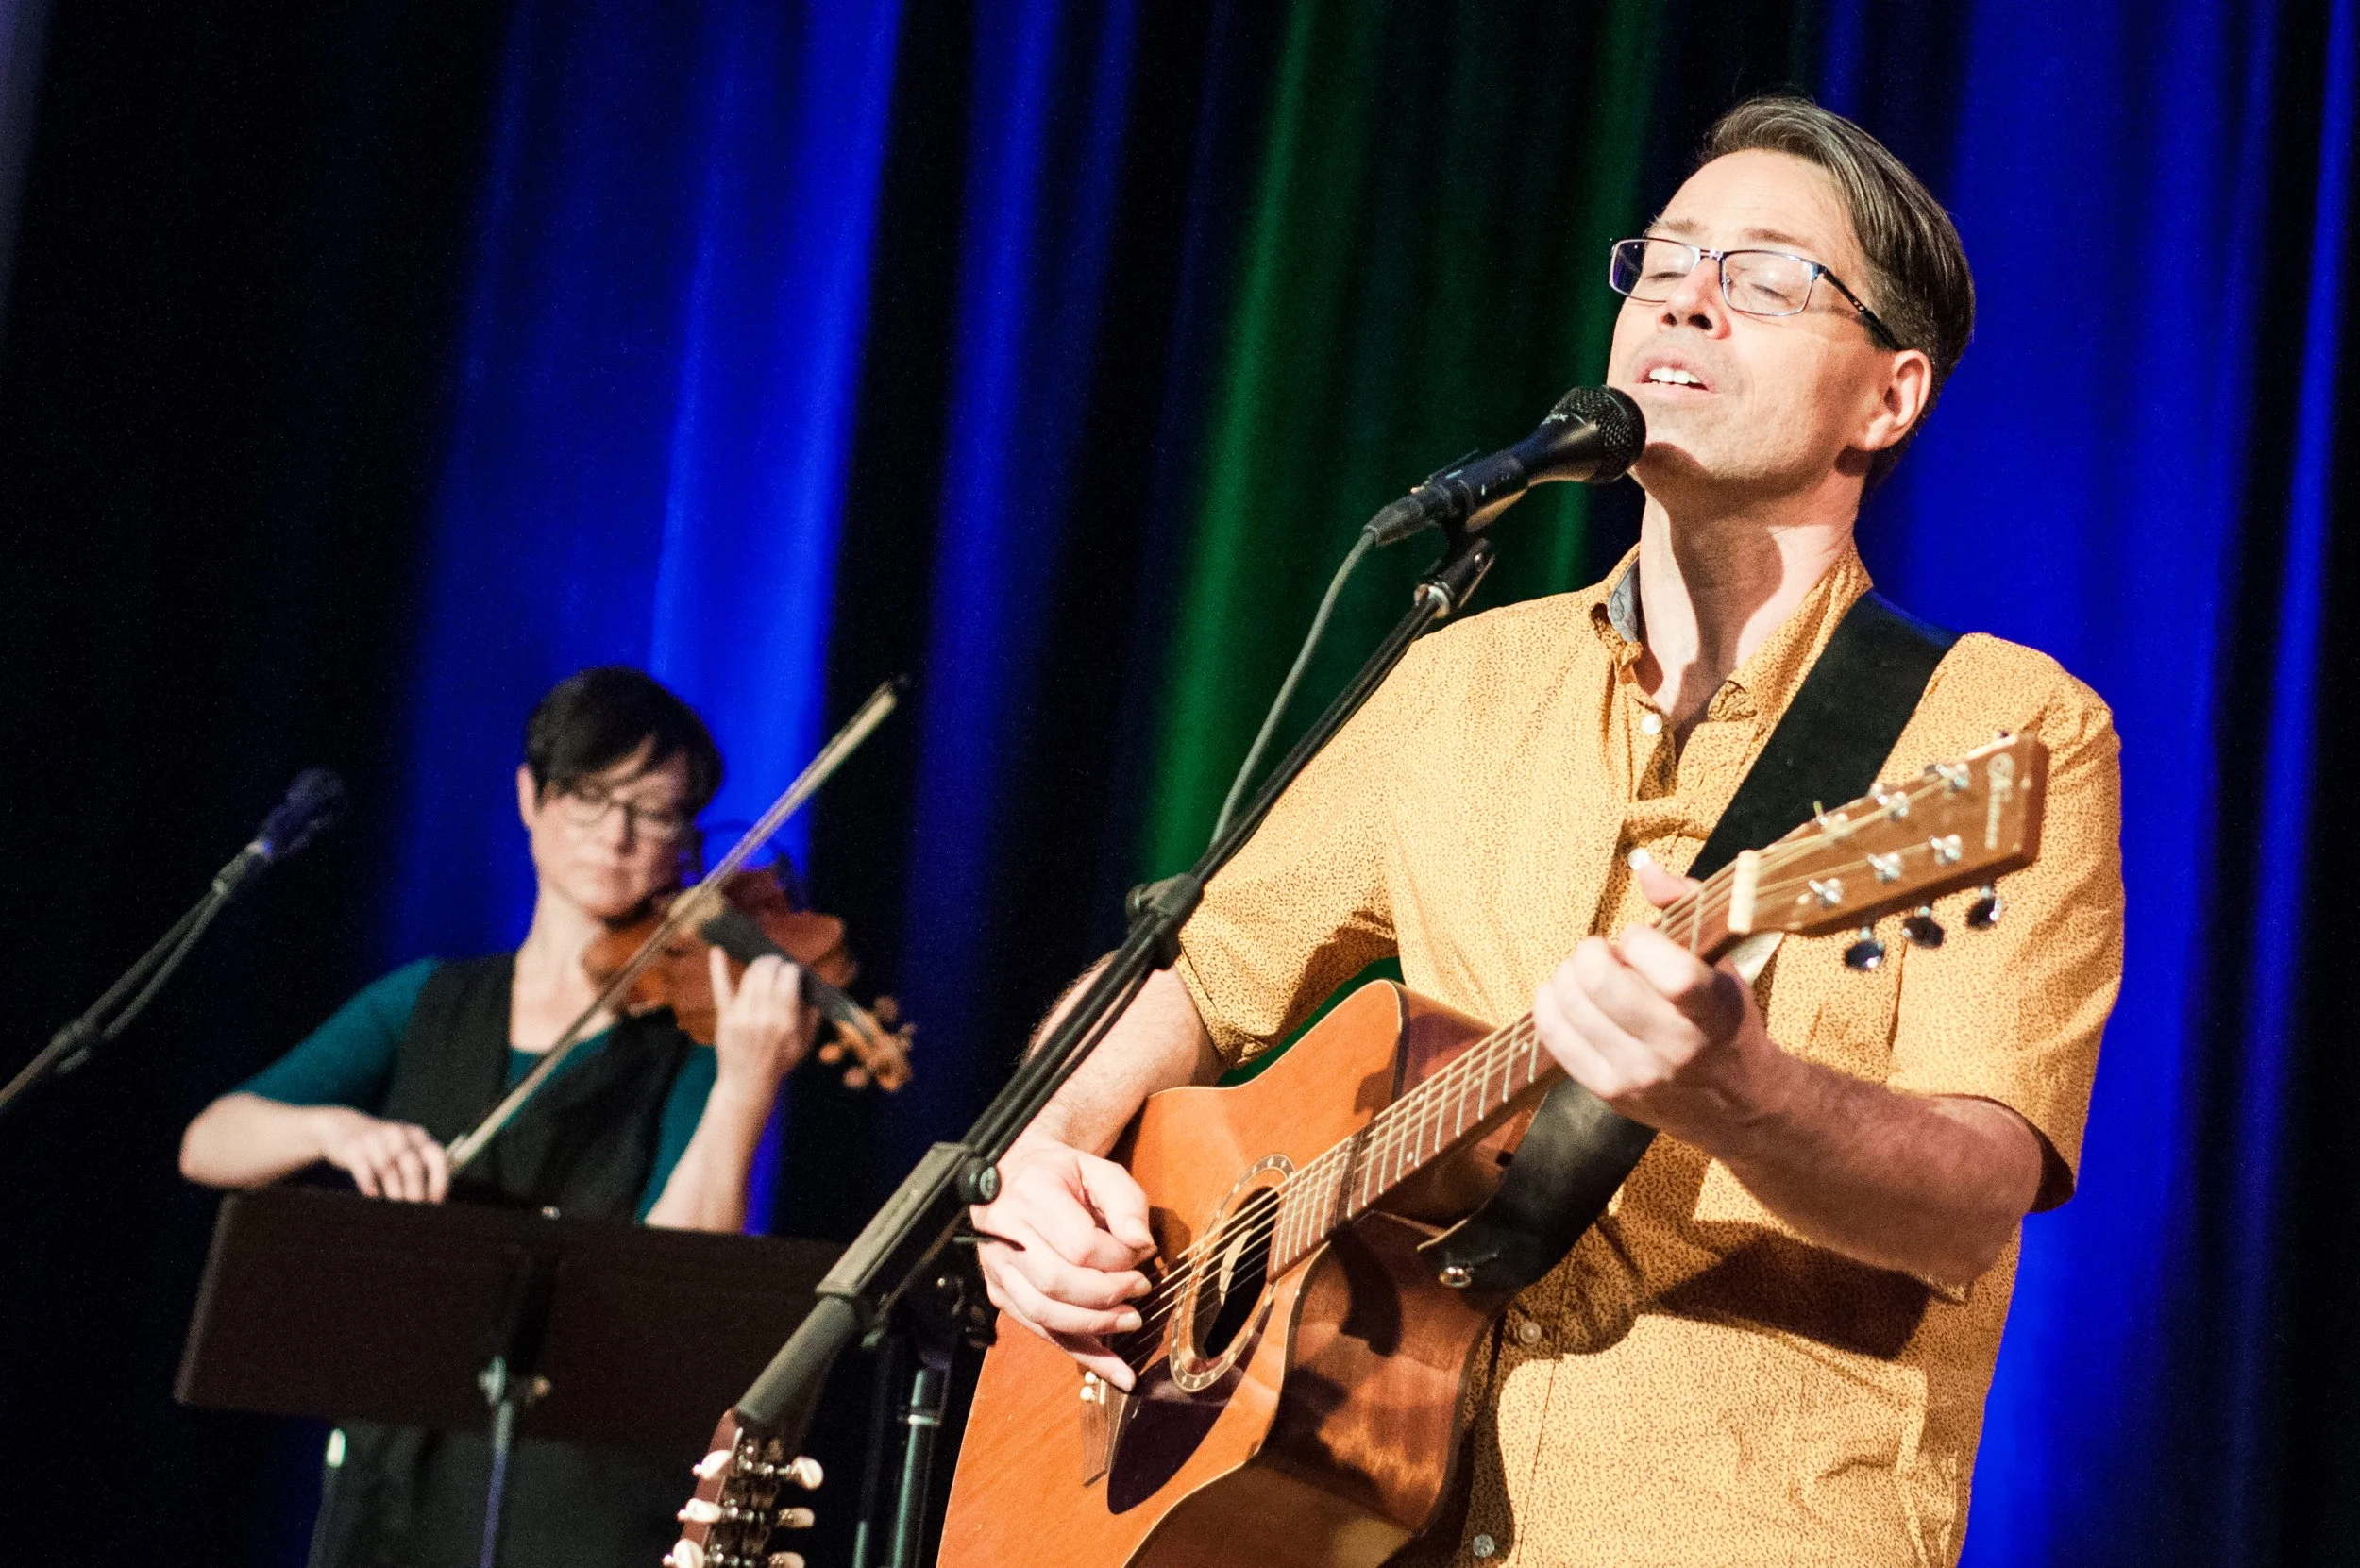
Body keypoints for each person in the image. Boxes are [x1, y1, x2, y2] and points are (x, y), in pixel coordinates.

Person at [970, 96, 2123, 1568]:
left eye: (1766, 276)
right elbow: (1193, 967)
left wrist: (1742, 1090)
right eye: (1663, 263)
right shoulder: (1458, 676)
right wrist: (1047, 1164)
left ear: (1888, 400)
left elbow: (1973, 1199)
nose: (1688, 298)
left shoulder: (1996, 727)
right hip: (1351, 1520)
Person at [181, 666, 815, 1568]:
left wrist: (746, 1088)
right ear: (531, 794)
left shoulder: (696, 1031)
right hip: (397, 1471)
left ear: (686, 836)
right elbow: (210, 1142)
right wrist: (335, 1130)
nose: (618, 835)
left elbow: (673, 1268)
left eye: (657, 811)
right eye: (591, 797)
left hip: (589, 1493)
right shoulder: (429, 1000)